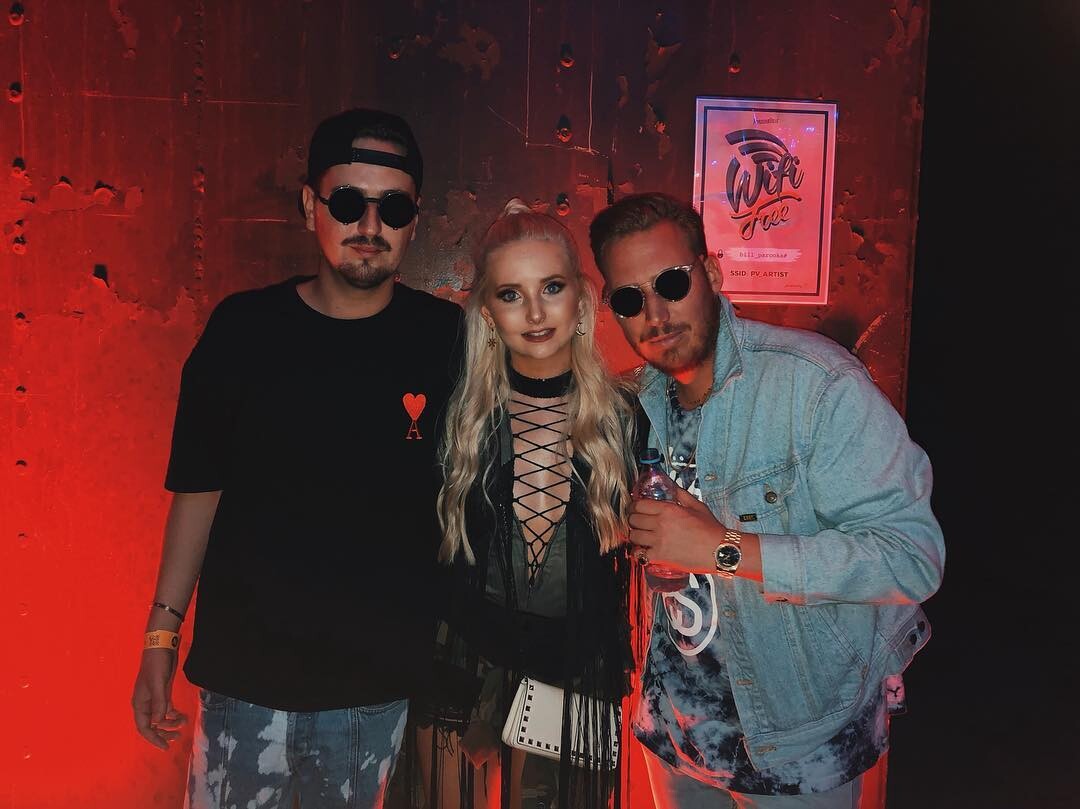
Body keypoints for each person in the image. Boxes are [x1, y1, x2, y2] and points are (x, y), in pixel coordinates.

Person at [130, 108, 464, 809]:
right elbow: (198, 489)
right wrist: (162, 634)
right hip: (244, 688)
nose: (369, 224)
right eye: (347, 202)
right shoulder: (243, 329)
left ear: (414, 220)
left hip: (374, 693)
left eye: (393, 207)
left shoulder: (447, 339)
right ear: (311, 204)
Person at [587, 192, 945, 809]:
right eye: (629, 298)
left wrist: (723, 549)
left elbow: (912, 557)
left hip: (798, 750)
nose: (656, 313)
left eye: (671, 283)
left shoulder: (815, 385)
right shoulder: (632, 405)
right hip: (675, 738)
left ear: (711, 273)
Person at [418, 199, 637, 809]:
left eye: (552, 288)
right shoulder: (457, 418)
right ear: (488, 313)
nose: (536, 313)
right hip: (462, 662)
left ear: (582, 301)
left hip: (577, 671)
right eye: (512, 294)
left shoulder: (625, 420)